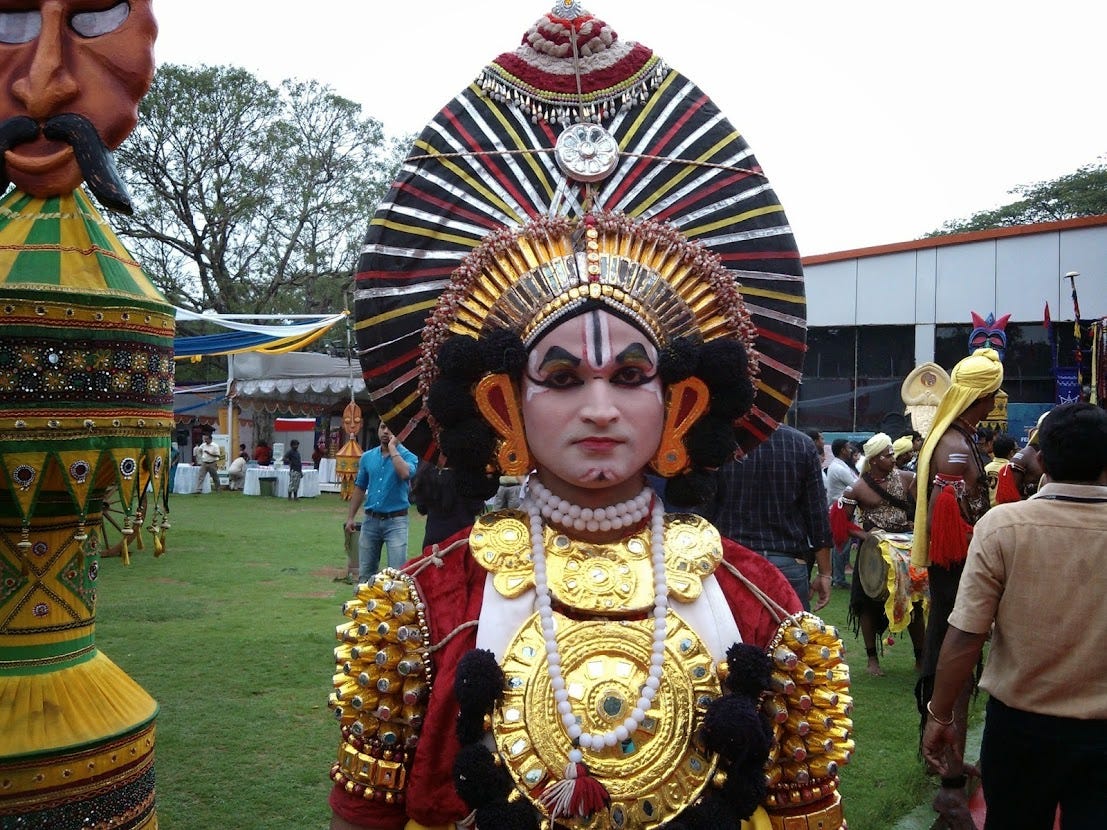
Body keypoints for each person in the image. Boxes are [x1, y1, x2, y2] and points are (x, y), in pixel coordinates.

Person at [922, 402, 1107, 829]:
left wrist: (940, 715)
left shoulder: (1004, 526)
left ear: (1040, 458)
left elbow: (967, 635)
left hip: (1020, 731)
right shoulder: (1003, 526)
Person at [911, 347, 1003, 811]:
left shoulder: (959, 437)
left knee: (959, 668)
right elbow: (948, 522)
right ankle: (949, 778)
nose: (996, 402)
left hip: (963, 574)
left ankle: (951, 765)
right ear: (978, 397)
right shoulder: (952, 445)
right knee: (956, 668)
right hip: (958, 576)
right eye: (991, 395)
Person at [709, 424, 834, 613]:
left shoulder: (718, 441)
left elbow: (702, 509)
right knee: (790, 638)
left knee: (732, 638)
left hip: (732, 562)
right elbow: (817, 515)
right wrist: (825, 573)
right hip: (785, 563)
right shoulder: (801, 443)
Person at [840, 433, 923, 677]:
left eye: (892, 454)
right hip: (872, 556)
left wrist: (915, 527)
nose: (893, 459)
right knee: (866, 605)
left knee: (914, 603)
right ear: (874, 460)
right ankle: (872, 660)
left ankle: (920, 657)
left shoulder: (908, 479)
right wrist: (867, 537)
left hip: (905, 553)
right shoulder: (857, 488)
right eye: (888, 456)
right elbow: (841, 523)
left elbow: (922, 511)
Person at [343, 420, 417, 582]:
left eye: (391, 428)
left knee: (397, 575)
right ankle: (364, 606)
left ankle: (393, 608)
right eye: (383, 427)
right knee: (366, 574)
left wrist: (392, 448)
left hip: (396, 522)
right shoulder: (367, 457)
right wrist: (351, 517)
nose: (386, 432)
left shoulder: (409, 456)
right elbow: (360, 488)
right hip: (370, 521)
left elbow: (405, 473)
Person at [410, 461, 486, 550]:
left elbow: (422, 508)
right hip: (462, 538)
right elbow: (476, 507)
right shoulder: (469, 476)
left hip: (434, 537)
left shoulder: (427, 472)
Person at [826, 437, 860, 588]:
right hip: (840, 511)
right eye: (848, 447)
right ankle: (838, 579)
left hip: (845, 510)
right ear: (842, 450)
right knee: (841, 545)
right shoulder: (839, 468)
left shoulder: (842, 466)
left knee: (842, 545)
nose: (850, 449)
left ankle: (838, 578)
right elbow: (857, 485)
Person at [983, 432, 1016, 507]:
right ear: (1011, 453)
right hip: (1004, 510)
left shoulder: (985, 468)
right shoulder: (1012, 469)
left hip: (987, 511)